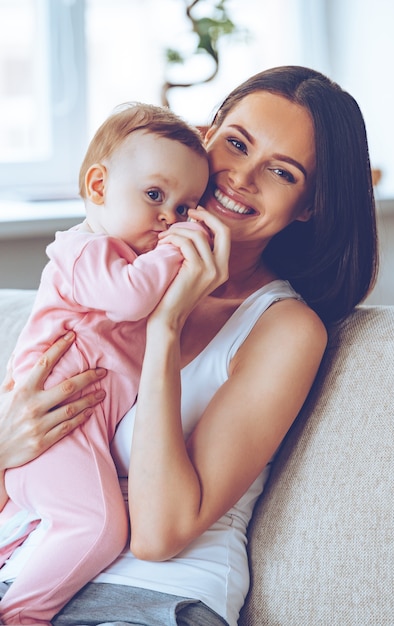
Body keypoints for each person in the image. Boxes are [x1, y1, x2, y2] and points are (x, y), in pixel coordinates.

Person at [0, 66, 378, 626]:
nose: (242, 177)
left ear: (309, 206)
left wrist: (167, 325)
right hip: (27, 571)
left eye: (281, 171)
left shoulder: (285, 328)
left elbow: (158, 535)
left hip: (148, 596)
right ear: (206, 134)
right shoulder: (109, 269)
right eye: (236, 143)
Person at [0, 102, 210, 625]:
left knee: (86, 519)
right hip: (52, 431)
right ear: (98, 186)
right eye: (155, 196)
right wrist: (181, 249)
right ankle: (21, 615)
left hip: (72, 433)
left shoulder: (123, 259)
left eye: (186, 208)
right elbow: (131, 299)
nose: (169, 219)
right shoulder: (83, 251)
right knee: (97, 526)